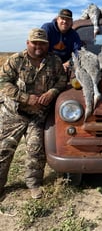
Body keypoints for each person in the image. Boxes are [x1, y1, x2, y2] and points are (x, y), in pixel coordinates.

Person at [0, 28, 67, 199]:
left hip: (37, 115)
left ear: (47, 44)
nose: (38, 46)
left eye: (42, 43)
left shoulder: (54, 61)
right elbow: (3, 82)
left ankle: (34, 184)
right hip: (13, 113)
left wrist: (52, 92)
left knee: (36, 151)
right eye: (35, 42)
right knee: (3, 150)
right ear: (28, 43)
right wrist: (24, 97)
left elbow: (62, 80)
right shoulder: (15, 60)